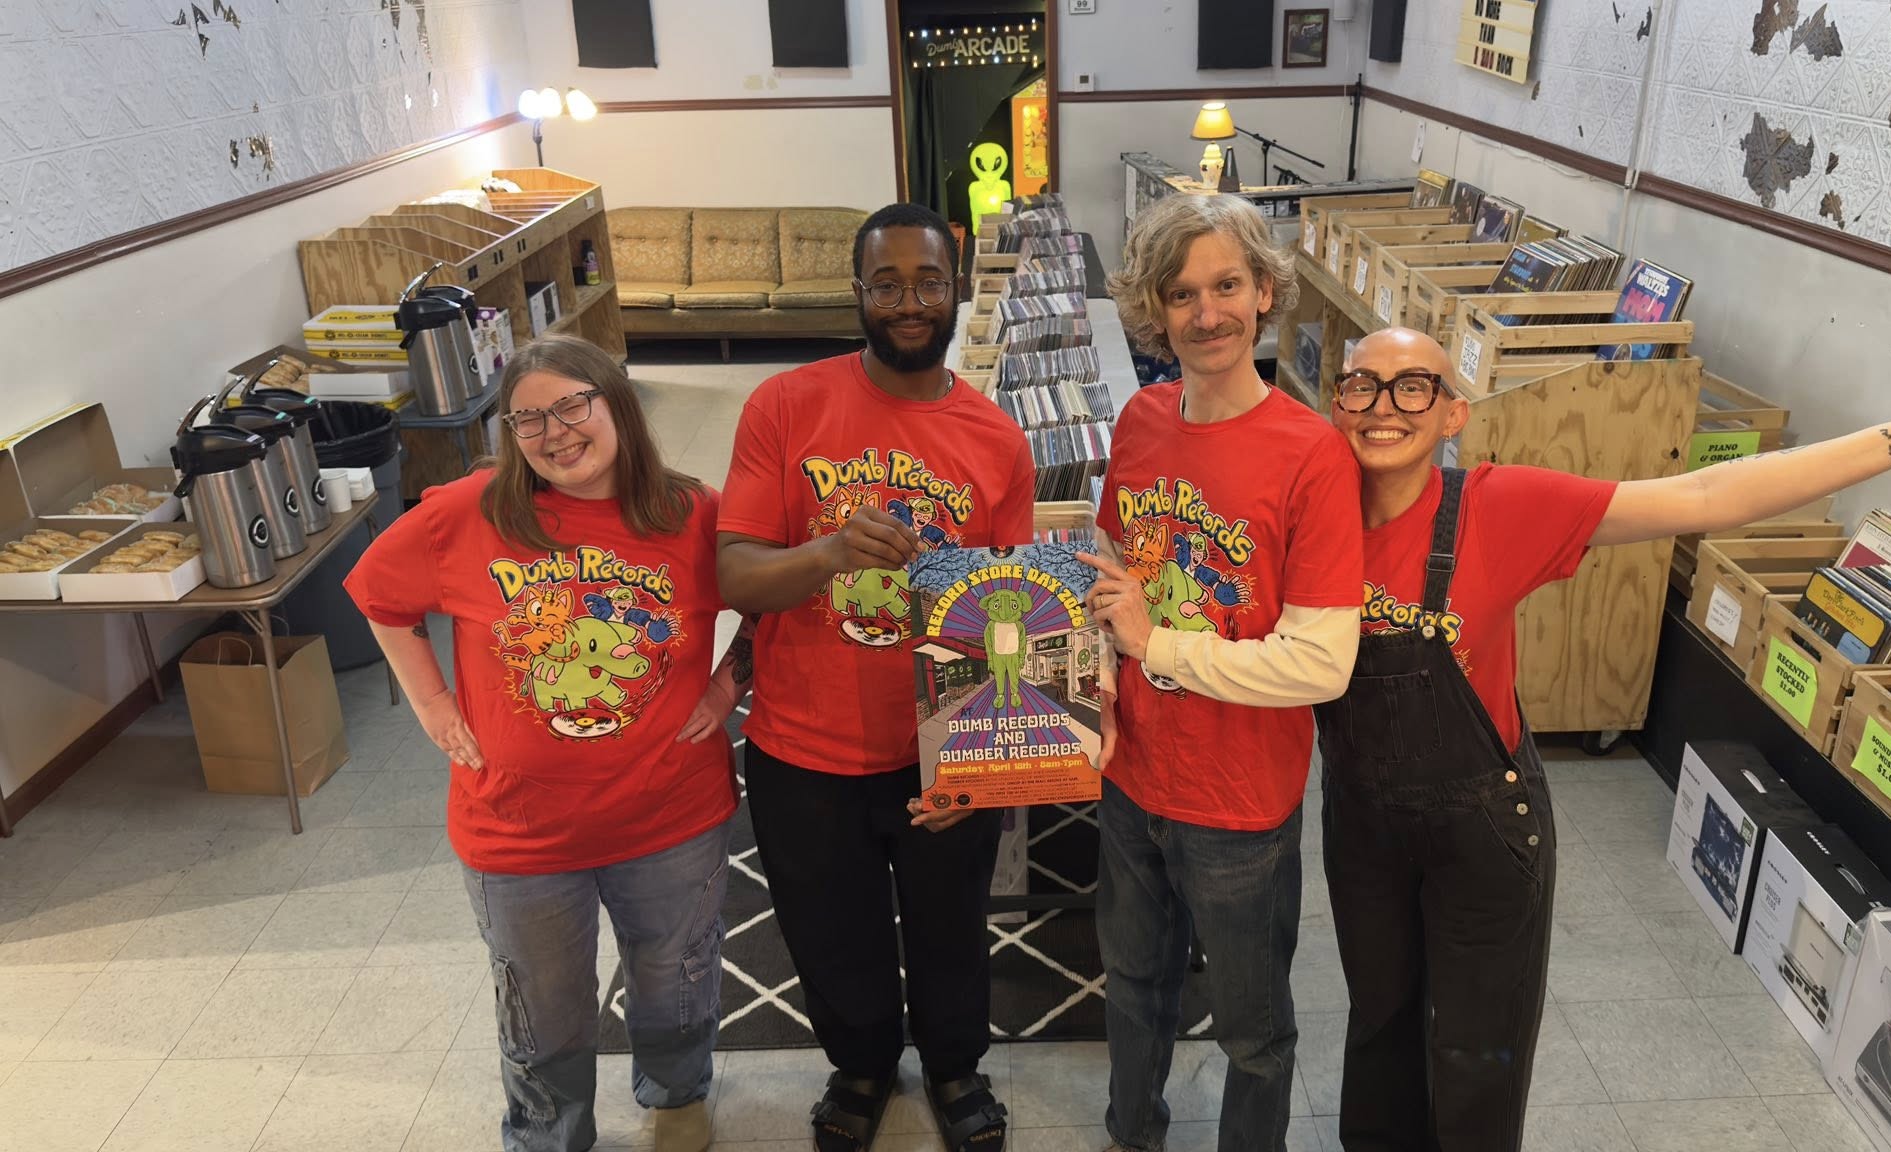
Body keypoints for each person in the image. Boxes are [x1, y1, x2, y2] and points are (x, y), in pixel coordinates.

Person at [1319, 325, 1891, 1152]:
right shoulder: (1309, 515)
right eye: (1362, 385)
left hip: (1481, 831)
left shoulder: (1498, 506)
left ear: (1453, 414)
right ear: (1339, 403)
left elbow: (1705, 495)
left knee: (1478, 1053)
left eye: (1414, 386)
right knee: (1379, 1026)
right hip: (1361, 824)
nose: (1384, 406)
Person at [345, 334, 748, 1152]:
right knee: (541, 1005)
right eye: (528, 419)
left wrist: (726, 683)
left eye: (573, 405)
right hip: (518, 830)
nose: (555, 432)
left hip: (671, 815)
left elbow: (773, 598)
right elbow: (379, 595)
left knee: (677, 977)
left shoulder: (693, 512)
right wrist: (431, 702)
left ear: (616, 405)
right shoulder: (466, 513)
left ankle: (677, 1097)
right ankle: (548, 1132)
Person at [714, 202, 1036, 1152]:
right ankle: (859, 1066)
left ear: (956, 288)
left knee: (951, 925)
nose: (909, 302)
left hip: (938, 743)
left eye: (928, 281)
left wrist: (980, 761)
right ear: (857, 294)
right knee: (830, 929)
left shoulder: (998, 441)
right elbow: (736, 576)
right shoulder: (784, 406)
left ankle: (955, 1067)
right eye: (886, 284)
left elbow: (1011, 613)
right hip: (800, 745)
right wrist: (828, 553)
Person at [1080, 193, 1366, 1152]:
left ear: (1265, 293)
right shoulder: (1139, 420)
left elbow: (1321, 663)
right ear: (1154, 311)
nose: (1207, 314)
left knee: (1252, 1030)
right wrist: (1098, 696)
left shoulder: (1312, 454)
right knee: (1132, 988)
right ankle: (1132, 1133)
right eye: (1182, 294)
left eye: (1227, 286)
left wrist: (1154, 647)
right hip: (1131, 777)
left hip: (1240, 807)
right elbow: (1116, 580)